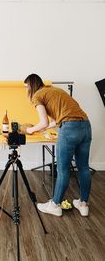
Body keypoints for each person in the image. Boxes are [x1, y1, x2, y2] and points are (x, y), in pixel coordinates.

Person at [23, 74, 92, 217]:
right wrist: (45, 128)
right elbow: (56, 120)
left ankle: (55, 204)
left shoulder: (37, 96)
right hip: (85, 126)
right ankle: (83, 204)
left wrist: (29, 130)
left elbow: (44, 122)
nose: (26, 91)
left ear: (31, 85)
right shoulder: (55, 90)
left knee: (63, 169)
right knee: (84, 167)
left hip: (69, 128)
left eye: (26, 87)